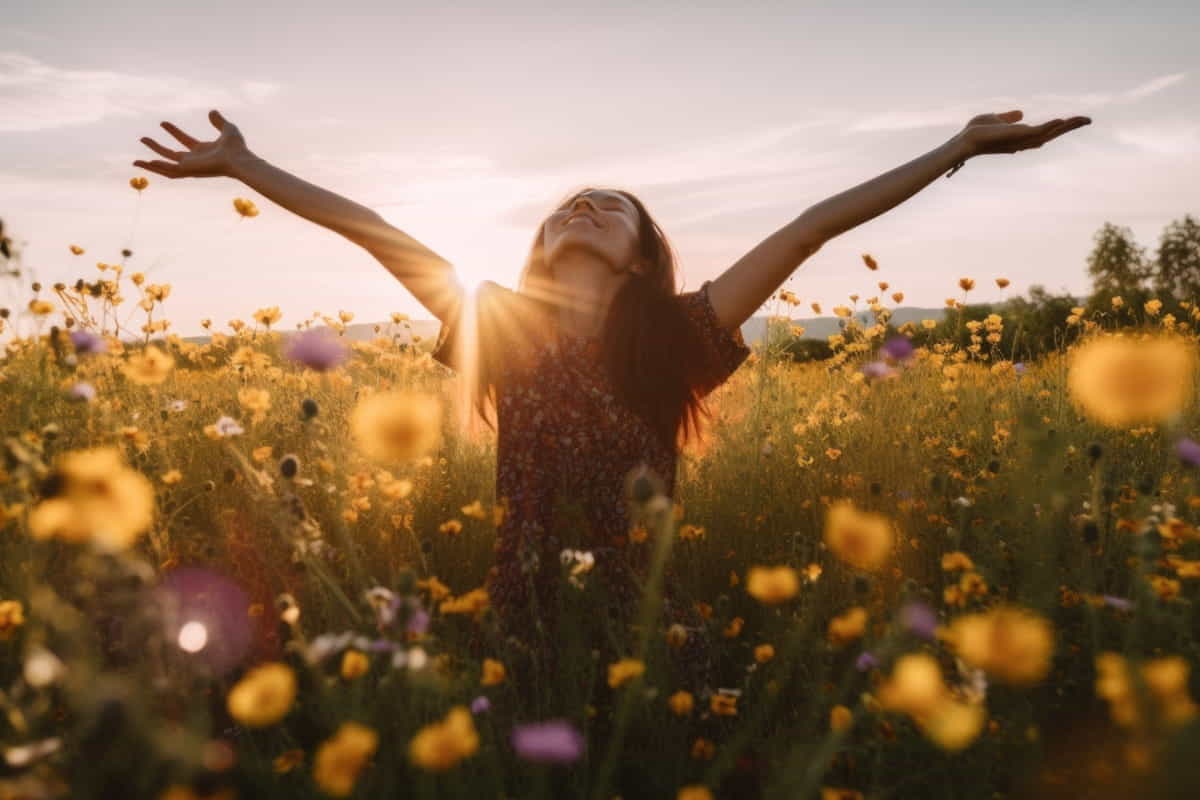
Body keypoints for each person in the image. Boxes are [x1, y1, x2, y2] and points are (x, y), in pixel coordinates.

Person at [133, 108, 1091, 686]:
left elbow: (811, 229)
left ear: (642, 252)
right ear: (538, 249)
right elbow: (377, 232)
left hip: (652, 620)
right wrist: (246, 167)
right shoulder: (498, 325)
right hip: (520, 614)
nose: (580, 210)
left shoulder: (679, 334)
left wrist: (957, 146)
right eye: (562, 209)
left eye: (610, 206)